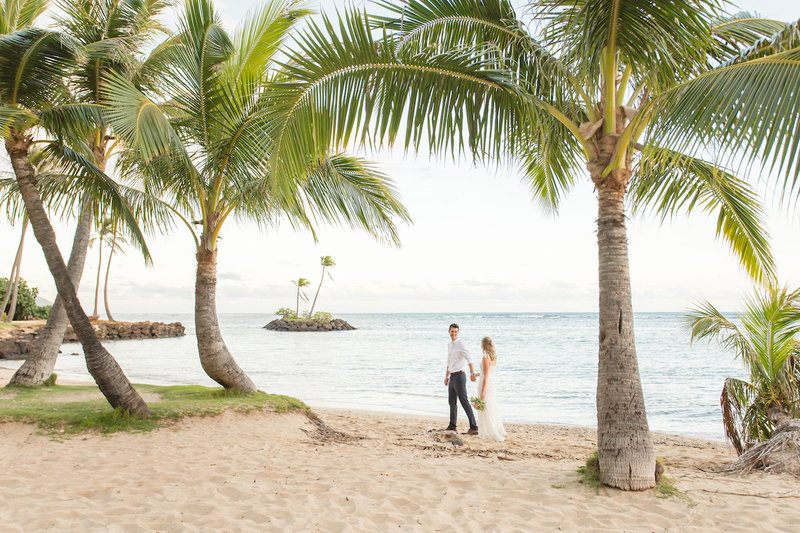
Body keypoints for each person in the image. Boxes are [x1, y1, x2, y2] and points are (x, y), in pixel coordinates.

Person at [444, 323, 478, 435]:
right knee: (452, 402)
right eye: (452, 331)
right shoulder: (450, 344)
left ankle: (474, 427)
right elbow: (449, 362)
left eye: (456, 332)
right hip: (452, 376)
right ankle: (452, 426)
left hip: (460, 376)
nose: (454, 333)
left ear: (458, 333)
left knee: (464, 401)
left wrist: (472, 373)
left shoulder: (461, 344)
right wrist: (446, 376)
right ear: (449, 332)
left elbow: (469, 358)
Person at [475, 336, 507, 442]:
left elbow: (486, 375)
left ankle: (489, 431)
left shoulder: (485, 357)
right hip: (491, 383)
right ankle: (495, 428)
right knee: (490, 405)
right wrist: (477, 374)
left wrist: (483, 390)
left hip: (486, 383)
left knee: (485, 407)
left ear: (483, 345)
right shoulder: (493, 357)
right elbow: (487, 372)